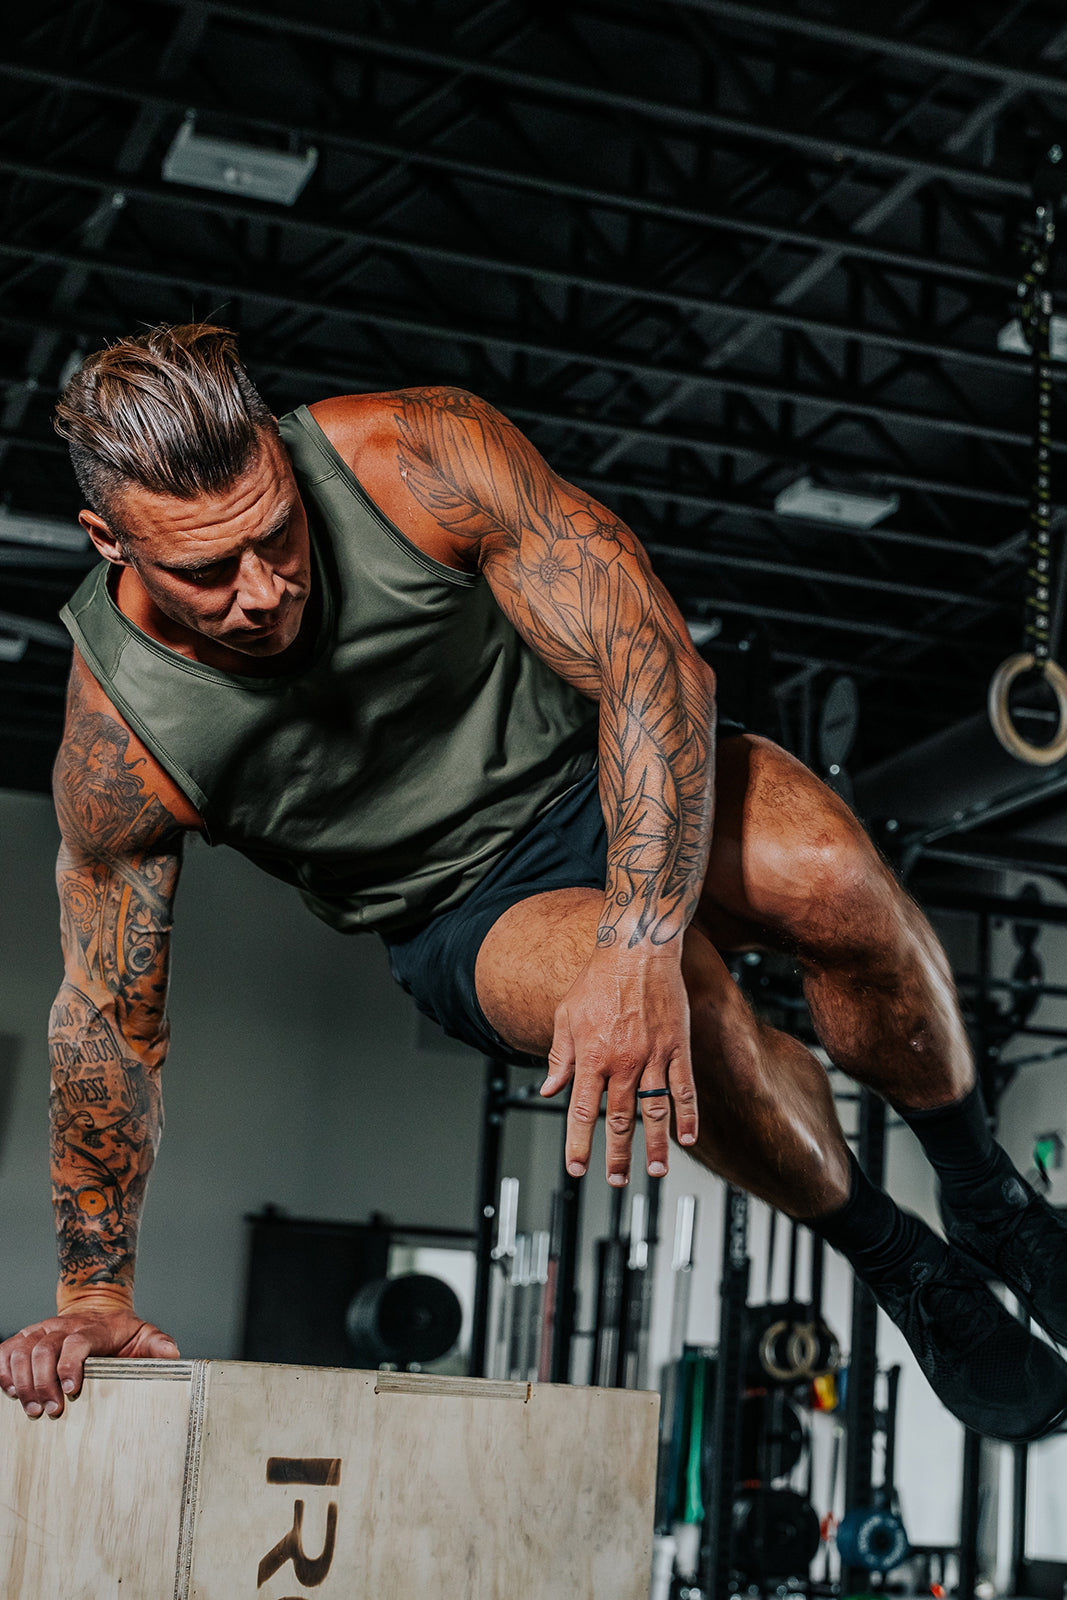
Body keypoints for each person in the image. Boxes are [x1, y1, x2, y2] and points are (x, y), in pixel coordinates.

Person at [2, 324, 1066, 1443]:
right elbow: (109, 1022)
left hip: (603, 761)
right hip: (463, 904)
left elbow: (647, 654)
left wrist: (639, 931)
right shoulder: (121, 741)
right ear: (109, 542)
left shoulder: (418, 456)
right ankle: (903, 1264)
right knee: (690, 1014)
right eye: (207, 570)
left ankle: (989, 1198)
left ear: (276, 453)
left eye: (275, 534)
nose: (264, 589)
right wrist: (94, 1296)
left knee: (835, 879)